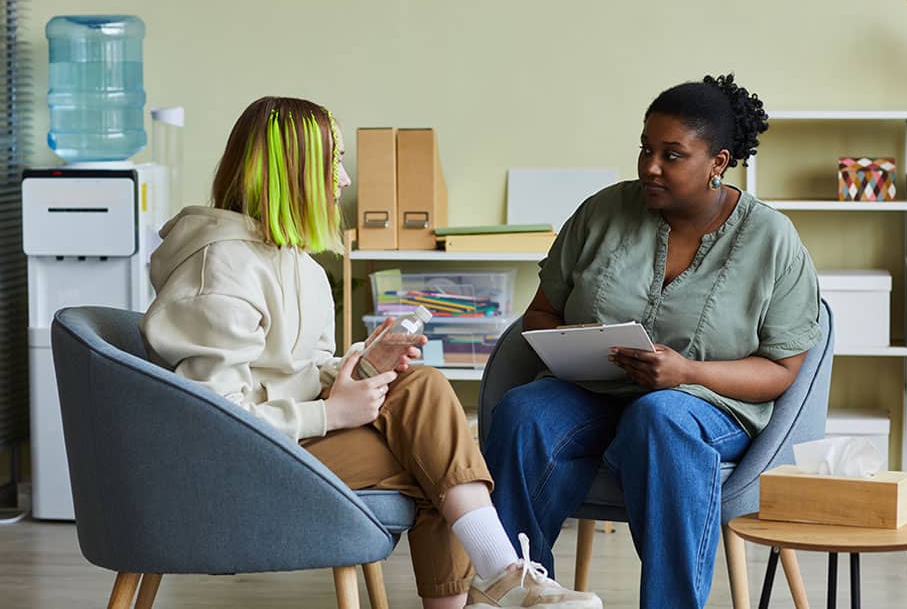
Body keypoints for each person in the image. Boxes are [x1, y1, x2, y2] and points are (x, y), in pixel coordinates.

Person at [139, 96, 602, 609]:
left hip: (289, 440)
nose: (342, 180)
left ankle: (499, 578)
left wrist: (361, 367)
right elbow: (212, 422)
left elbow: (301, 368)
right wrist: (330, 412)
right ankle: (501, 576)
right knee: (434, 461)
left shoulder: (298, 265)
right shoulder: (220, 271)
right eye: (333, 162)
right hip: (236, 464)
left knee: (423, 394)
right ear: (294, 171)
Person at [483, 75, 822, 609]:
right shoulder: (602, 212)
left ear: (718, 162)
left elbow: (782, 370)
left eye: (672, 154)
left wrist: (688, 373)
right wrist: (578, 343)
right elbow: (540, 315)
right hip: (592, 391)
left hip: (708, 406)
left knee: (660, 417)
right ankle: (520, 591)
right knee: (524, 411)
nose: (650, 166)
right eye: (645, 149)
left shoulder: (771, 239)